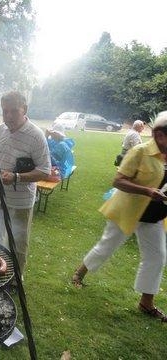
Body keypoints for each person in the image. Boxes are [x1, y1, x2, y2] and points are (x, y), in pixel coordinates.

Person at [71, 111, 167, 323]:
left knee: (157, 256)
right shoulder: (140, 152)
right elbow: (118, 181)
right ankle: (78, 274)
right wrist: (148, 191)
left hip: (155, 216)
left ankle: (146, 302)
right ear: (160, 135)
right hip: (128, 210)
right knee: (107, 246)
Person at [0, 91, 51, 278]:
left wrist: (16, 177)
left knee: (18, 242)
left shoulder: (36, 136)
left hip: (21, 201)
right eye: (5, 111)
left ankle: (16, 277)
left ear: (25, 110)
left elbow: (45, 170)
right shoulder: (0, 130)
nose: (9, 116)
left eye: (14, 111)